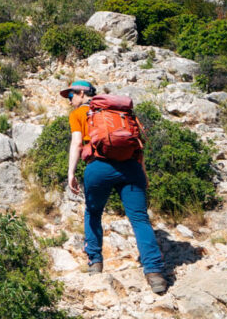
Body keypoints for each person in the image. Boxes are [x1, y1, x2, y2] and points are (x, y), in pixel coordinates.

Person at [62, 80, 167, 294]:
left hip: (98, 167)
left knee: (93, 213)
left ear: (82, 93)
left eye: (71, 95)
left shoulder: (80, 114)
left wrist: (71, 172)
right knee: (139, 219)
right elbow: (138, 145)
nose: (69, 100)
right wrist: (143, 174)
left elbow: (77, 143)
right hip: (130, 167)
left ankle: (95, 263)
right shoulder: (121, 113)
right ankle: (155, 273)